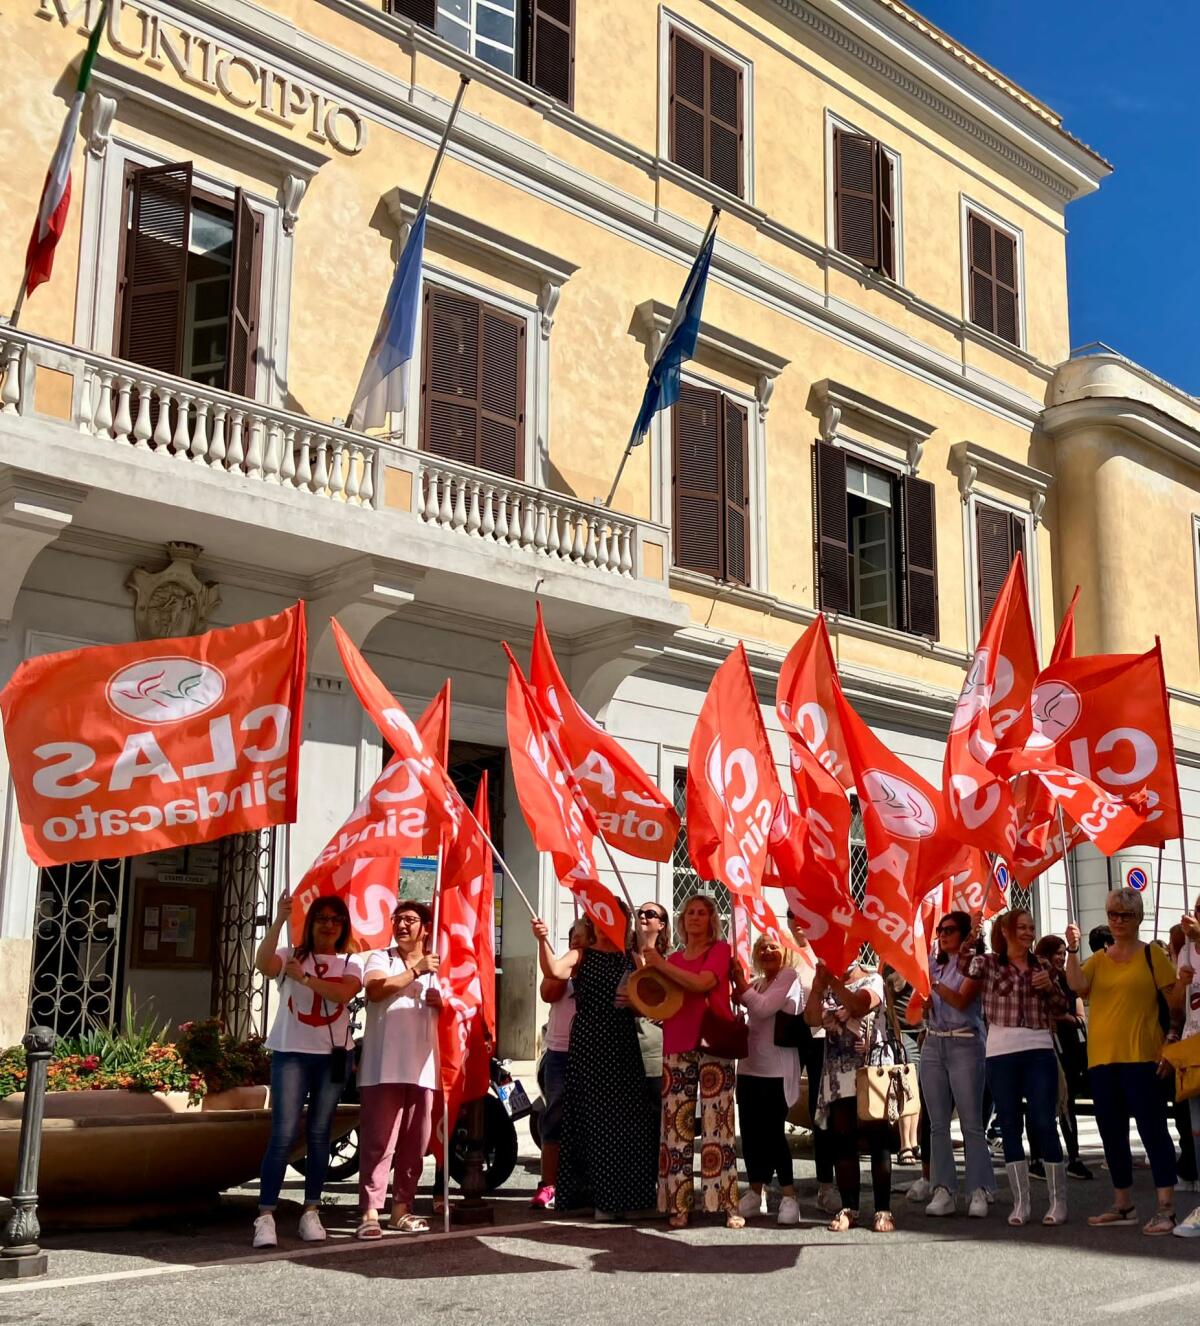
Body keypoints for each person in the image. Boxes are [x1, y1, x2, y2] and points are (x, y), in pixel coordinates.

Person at [1066, 886, 1178, 1235]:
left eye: (1124, 915)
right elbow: (1076, 985)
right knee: (1111, 1134)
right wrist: (1072, 948)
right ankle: (1123, 1204)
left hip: (1143, 1056)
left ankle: (1166, 1208)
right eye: (1112, 914)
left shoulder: (1152, 957)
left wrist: (1172, 1040)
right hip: (1102, 1059)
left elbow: (1175, 1004)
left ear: (1138, 918)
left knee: (1153, 1131)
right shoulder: (1098, 959)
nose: (1116, 921)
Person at [533, 907, 658, 1220]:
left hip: (622, 1040)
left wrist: (635, 1001)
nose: (605, 924)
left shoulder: (632, 957)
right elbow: (554, 972)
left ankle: (630, 1198)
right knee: (595, 1120)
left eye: (613, 917)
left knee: (630, 1121)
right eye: (601, 918)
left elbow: (649, 1003)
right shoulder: (582, 955)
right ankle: (601, 1200)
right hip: (591, 1041)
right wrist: (542, 940)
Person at [251, 893, 361, 1249]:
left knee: (320, 1133)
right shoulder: (290, 956)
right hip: (291, 1053)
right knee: (282, 1134)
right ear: (311, 922)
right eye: (321, 918)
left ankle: (311, 1210)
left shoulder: (350, 962)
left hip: (332, 1054)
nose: (328, 925)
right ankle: (265, 1215)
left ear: (343, 926)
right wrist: (280, 920)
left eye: (336, 919)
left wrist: (306, 980)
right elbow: (262, 963)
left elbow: (343, 995)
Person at [962, 908, 1069, 1227]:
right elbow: (962, 964)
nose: (1028, 932)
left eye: (1031, 927)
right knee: (1009, 1124)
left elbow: (1061, 1006)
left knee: (1043, 1121)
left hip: (1038, 1049)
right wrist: (972, 936)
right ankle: (1021, 1202)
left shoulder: (1044, 964)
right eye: (1021, 927)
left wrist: (1049, 987)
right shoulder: (990, 963)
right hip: (1000, 1051)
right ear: (1006, 932)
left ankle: (1057, 1201)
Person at [644, 895, 743, 1229]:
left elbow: (703, 983)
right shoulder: (671, 957)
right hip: (676, 1040)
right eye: (690, 913)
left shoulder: (719, 951)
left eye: (702, 913)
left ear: (712, 919)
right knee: (676, 1129)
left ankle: (726, 1202)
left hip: (713, 1041)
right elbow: (658, 996)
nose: (695, 918)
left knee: (719, 1126)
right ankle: (678, 1204)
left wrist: (660, 964)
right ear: (682, 920)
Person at [354, 900, 441, 1239]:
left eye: (411, 920)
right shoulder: (382, 957)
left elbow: (458, 1007)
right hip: (382, 1067)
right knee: (378, 1142)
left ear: (426, 928)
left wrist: (443, 1002)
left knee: (414, 1144)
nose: (403, 925)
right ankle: (370, 1212)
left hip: (423, 1068)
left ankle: (401, 1209)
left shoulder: (439, 963)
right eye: (398, 919)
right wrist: (416, 971)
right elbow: (375, 990)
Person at [805, 949, 895, 1233]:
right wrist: (818, 988)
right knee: (842, 1140)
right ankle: (849, 1207)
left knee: (877, 1139)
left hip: (871, 1070)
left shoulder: (873, 980)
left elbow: (858, 1005)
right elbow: (810, 1019)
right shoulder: (828, 983)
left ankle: (883, 1209)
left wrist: (832, 981)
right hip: (837, 1072)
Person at [918, 911, 991, 1218]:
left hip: (965, 1043)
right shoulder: (933, 965)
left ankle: (978, 1189)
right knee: (937, 1124)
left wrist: (932, 985)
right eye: (940, 930)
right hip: (934, 1042)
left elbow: (961, 1000)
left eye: (949, 930)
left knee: (971, 1122)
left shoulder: (975, 964)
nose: (942, 934)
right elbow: (920, 1007)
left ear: (964, 935)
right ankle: (943, 1188)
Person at [732, 934, 802, 1224]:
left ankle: (789, 1196)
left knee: (773, 1135)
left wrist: (740, 984)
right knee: (750, 1134)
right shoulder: (759, 983)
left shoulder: (789, 976)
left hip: (776, 1070)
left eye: (774, 946)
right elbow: (754, 1013)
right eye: (762, 948)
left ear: (785, 951)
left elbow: (763, 1008)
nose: (768, 951)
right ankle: (755, 1191)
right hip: (749, 1068)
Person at [531, 916, 591, 1212]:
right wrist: (544, 942)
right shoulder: (565, 967)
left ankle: (584, 1182)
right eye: (572, 938)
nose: (576, 943)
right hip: (560, 1053)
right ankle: (548, 1184)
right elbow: (548, 991)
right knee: (554, 1117)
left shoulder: (602, 965)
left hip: (591, 1052)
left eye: (581, 937)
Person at [785, 912, 839, 1214]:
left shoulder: (826, 949)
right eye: (793, 915)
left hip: (820, 1037)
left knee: (821, 1112)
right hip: (788, 1036)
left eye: (804, 914)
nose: (799, 921)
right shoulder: (783, 949)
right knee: (779, 1104)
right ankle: (775, 1185)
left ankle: (825, 1185)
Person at [1030, 933, 1092, 1181]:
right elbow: (1049, 1010)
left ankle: (1074, 1158)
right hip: (1046, 1041)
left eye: (1064, 954)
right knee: (1040, 1100)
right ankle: (1037, 1158)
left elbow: (1076, 1012)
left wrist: (1067, 1017)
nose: (1060, 959)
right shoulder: (1037, 976)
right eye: (1057, 953)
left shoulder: (1066, 979)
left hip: (1068, 1044)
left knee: (1068, 1101)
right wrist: (1065, 1017)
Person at [1174, 900, 1200, 1237]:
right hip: (1193, 1050)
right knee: (1196, 1132)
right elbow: (1175, 1007)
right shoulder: (1185, 953)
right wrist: (1180, 983)